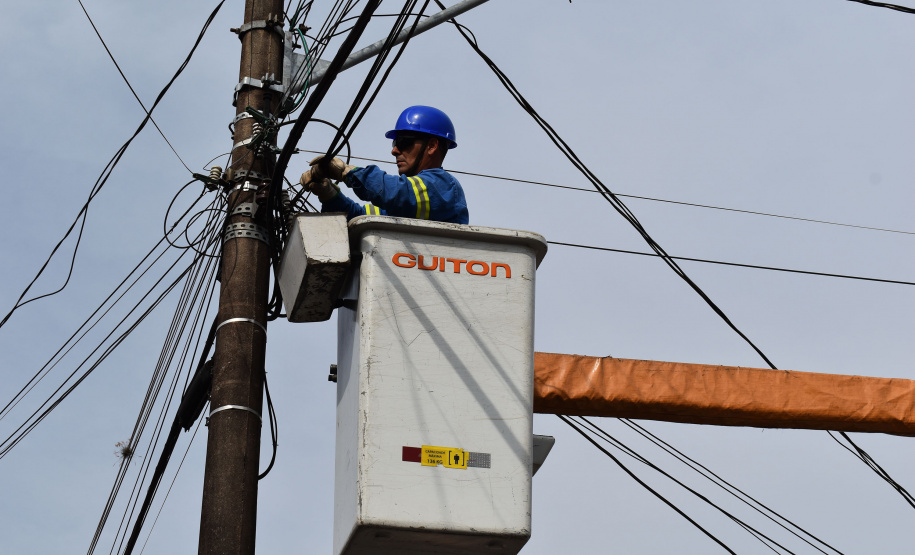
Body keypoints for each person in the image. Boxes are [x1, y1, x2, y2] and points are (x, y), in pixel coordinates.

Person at [300, 105, 469, 224]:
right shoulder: (404, 206)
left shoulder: (443, 187)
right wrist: (328, 193)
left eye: (403, 142)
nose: (394, 150)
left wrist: (346, 171)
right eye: (395, 143)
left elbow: (396, 191)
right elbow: (360, 216)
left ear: (431, 146)